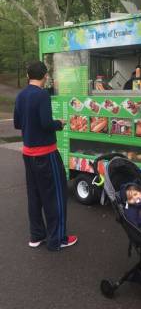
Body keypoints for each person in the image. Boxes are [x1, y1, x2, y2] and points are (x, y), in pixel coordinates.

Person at [13, 61, 78, 251]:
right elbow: (46, 123)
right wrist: (60, 123)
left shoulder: (21, 95)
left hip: (28, 154)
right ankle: (57, 239)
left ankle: (36, 236)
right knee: (55, 195)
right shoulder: (42, 95)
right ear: (45, 76)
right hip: (46, 154)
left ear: (27, 76)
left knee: (34, 196)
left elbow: (17, 124)